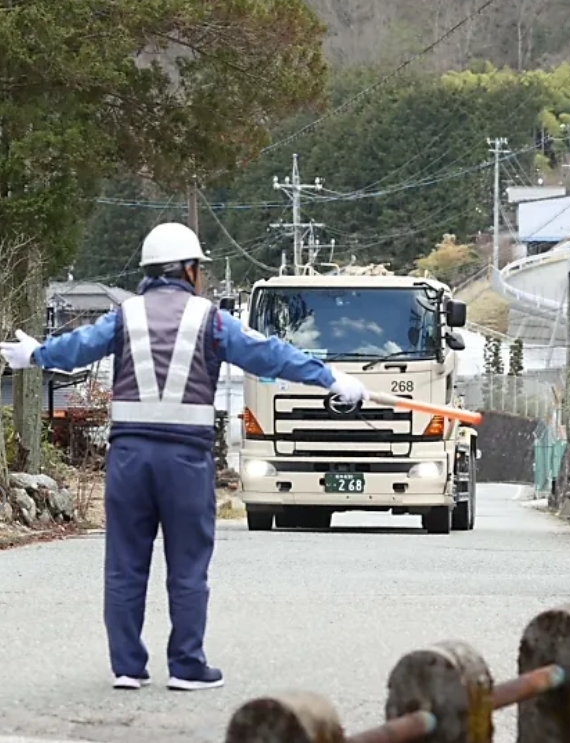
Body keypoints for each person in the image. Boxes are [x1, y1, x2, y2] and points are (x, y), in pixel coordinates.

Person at [0, 222, 369, 691]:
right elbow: (268, 355)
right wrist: (330, 378)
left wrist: (37, 354)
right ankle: (187, 666)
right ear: (190, 270)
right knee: (188, 566)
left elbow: (77, 349)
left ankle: (127, 668)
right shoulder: (210, 318)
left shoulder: (125, 315)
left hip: (129, 458)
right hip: (186, 461)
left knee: (125, 565)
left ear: (150, 271)